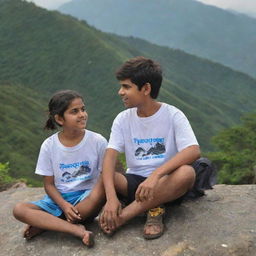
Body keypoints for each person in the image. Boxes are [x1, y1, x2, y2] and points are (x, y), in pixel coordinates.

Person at [98, 56, 201, 239]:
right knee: (106, 175)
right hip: (135, 183)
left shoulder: (172, 115)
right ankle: (154, 206)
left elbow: (193, 150)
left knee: (187, 173)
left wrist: (156, 175)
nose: (120, 92)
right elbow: (110, 157)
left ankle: (123, 217)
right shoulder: (123, 119)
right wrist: (111, 197)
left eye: (126, 87)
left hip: (167, 180)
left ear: (146, 88)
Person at [13, 90, 107, 247]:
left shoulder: (97, 141)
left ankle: (47, 222)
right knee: (19, 209)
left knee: (99, 193)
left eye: (83, 109)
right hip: (59, 200)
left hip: (86, 198)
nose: (82, 114)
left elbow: (107, 175)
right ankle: (75, 230)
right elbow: (49, 184)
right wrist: (63, 205)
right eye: (74, 111)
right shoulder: (49, 146)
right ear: (59, 118)